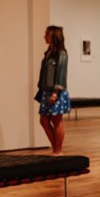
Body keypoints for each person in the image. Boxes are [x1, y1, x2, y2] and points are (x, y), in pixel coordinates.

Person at [37, 25, 70, 154]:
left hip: (56, 92)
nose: (44, 36)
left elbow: (61, 74)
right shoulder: (49, 53)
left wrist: (56, 92)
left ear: (53, 36)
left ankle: (58, 151)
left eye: (46, 34)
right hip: (47, 91)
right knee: (44, 120)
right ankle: (56, 148)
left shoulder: (61, 54)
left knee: (57, 120)